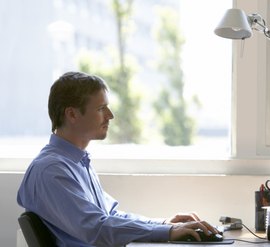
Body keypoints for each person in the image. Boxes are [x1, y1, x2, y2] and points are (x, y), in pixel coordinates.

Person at [17, 71, 218, 246]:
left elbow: (111, 217)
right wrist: (168, 233)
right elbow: (97, 229)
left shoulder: (76, 162)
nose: (110, 115)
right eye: (101, 108)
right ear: (72, 114)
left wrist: (165, 224)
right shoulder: (51, 170)